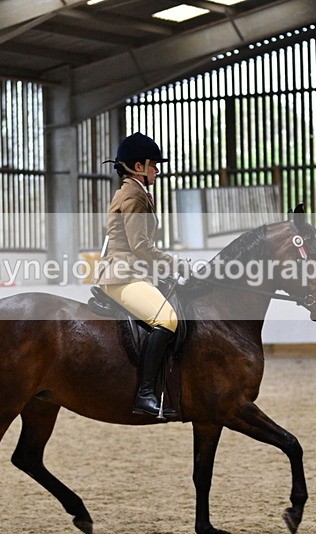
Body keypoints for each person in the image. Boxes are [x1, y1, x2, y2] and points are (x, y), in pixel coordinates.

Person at [97, 132, 184, 418]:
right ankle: (145, 394)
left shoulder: (135, 191)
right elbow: (141, 247)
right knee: (167, 318)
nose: (157, 169)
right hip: (123, 273)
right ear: (138, 166)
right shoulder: (134, 194)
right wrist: (175, 264)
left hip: (132, 270)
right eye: (153, 164)